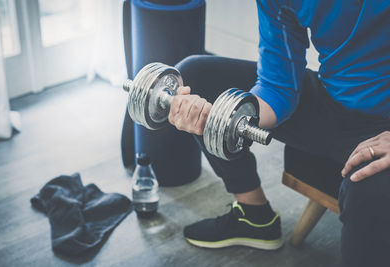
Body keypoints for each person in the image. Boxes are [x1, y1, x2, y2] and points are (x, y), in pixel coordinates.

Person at [167, 0, 390, 266]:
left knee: (369, 193)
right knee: (197, 76)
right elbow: (278, 86)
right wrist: (227, 114)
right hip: (335, 103)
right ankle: (254, 216)